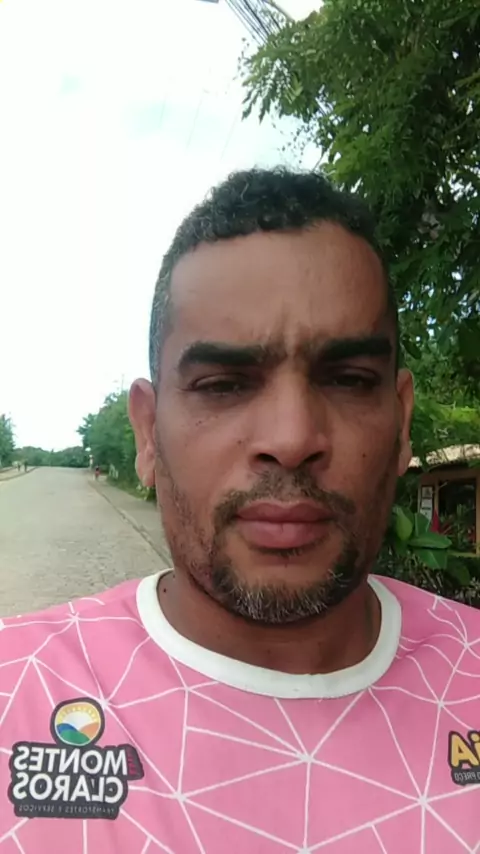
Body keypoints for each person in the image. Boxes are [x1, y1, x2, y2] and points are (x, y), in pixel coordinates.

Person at [0, 169, 477, 852]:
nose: (291, 438)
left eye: (348, 380)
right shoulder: (16, 685)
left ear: (400, 425)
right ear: (148, 434)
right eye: (223, 385)